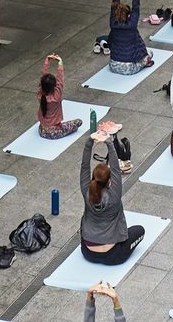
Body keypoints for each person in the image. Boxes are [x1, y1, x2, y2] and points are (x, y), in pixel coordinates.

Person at [80, 130, 144, 264]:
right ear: (109, 181)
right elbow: (115, 168)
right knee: (139, 231)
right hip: (113, 255)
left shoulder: (86, 192)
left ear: (93, 178)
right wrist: (109, 142)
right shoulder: (114, 195)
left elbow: (84, 166)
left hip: (88, 252)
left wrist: (89, 142)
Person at [108, 0, 153, 75]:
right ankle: (145, 62)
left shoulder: (113, 22)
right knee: (150, 53)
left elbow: (114, 5)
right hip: (129, 68)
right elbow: (136, 7)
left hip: (113, 65)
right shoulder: (131, 25)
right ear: (128, 15)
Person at [37, 54, 80, 139]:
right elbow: (60, 79)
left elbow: (44, 77)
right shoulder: (56, 97)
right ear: (54, 86)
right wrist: (60, 62)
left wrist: (47, 60)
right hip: (54, 132)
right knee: (79, 122)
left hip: (42, 130)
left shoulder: (40, 93)